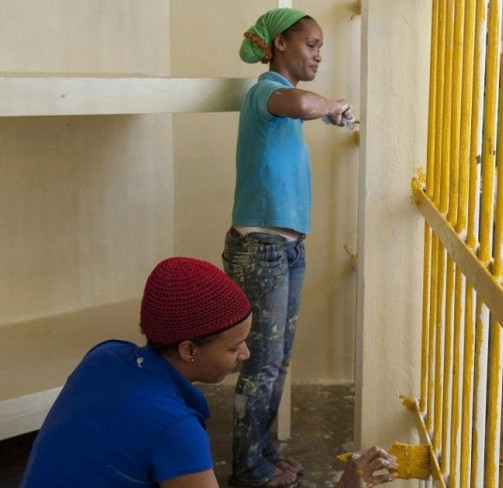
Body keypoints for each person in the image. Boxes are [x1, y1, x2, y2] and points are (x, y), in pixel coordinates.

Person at [20, 257, 397, 488]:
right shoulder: (174, 429)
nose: (245, 354)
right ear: (188, 350)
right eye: (234, 347)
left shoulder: (105, 356)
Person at [222, 7, 354, 488]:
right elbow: (298, 104)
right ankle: (248, 469)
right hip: (259, 248)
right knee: (259, 363)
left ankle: (263, 452)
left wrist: (330, 113)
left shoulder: (284, 103)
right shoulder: (266, 93)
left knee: (276, 361)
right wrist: (331, 106)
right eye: (312, 45)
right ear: (281, 45)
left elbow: (300, 108)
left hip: (286, 249)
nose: (318, 54)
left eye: (321, 47)